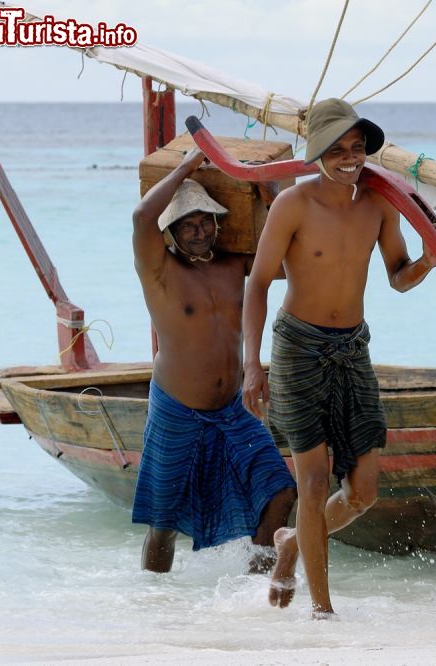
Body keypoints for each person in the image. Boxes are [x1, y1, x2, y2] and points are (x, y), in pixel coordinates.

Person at [242, 98, 436, 617]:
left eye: (357, 148)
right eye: (337, 149)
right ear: (317, 152)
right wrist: (252, 365)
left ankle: (293, 542)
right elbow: (256, 286)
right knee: (313, 483)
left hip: (352, 349)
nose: (349, 158)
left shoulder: (379, 205)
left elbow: (399, 276)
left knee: (363, 491)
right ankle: (322, 611)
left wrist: (431, 259)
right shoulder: (292, 205)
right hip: (297, 348)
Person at [131, 147, 297, 578]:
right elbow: (139, 219)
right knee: (163, 524)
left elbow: (282, 261)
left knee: (280, 490)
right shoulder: (159, 271)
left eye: (207, 220)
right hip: (176, 411)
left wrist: (269, 197)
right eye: (189, 224)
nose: (201, 231)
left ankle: (256, 587)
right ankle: (152, 606)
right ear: (171, 231)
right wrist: (189, 165)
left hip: (232, 412)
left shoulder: (233, 265)